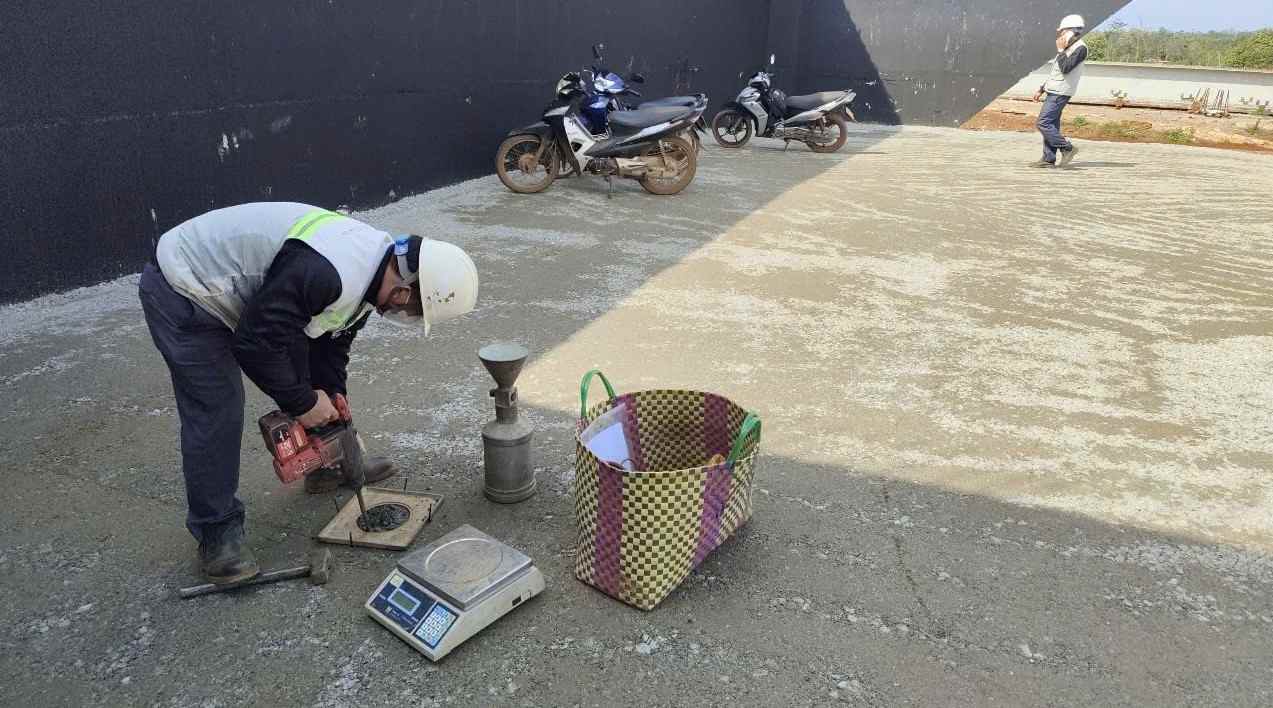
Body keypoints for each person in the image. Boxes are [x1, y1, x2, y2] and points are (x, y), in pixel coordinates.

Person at [139, 203, 478, 583]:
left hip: (254, 292)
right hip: (187, 286)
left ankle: (328, 464)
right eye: (414, 309)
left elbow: (330, 343)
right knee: (218, 409)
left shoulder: (374, 272)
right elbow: (253, 344)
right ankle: (217, 531)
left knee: (311, 381)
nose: (406, 315)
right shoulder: (328, 272)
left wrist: (332, 393)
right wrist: (301, 402)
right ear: (403, 293)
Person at [1031, 14, 1089, 168]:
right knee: (1051, 126)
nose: (1060, 35)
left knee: (1043, 123)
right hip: (1053, 90)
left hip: (1060, 93)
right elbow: (1055, 72)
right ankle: (1048, 159)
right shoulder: (1068, 48)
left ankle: (1067, 148)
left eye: (1062, 32)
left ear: (1071, 31)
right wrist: (1042, 89)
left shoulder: (1080, 48)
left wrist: (1060, 50)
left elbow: (1065, 68)